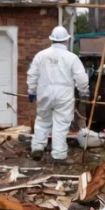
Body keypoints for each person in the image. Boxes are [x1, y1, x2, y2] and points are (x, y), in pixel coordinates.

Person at [26, 26, 90, 162]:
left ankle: (37, 147)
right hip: (63, 96)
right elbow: (81, 78)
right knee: (60, 125)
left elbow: (32, 75)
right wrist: (84, 92)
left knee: (43, 121)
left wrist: (31, 91)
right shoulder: (71, 58)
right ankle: (59, 155)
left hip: (44, 93)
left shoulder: (41, 55)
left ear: (52, 40)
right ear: (66, 40)